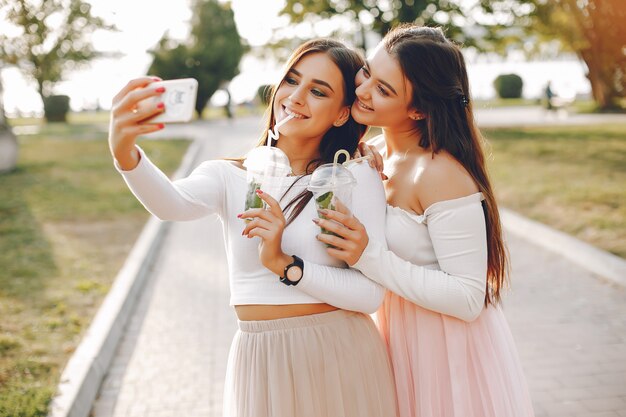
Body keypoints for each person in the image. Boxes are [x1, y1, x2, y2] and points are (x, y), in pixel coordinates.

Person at [108, 39, 398, 417]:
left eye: (317, 91)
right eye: (292, 80)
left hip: (340, 353)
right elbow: (170, 205)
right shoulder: (229, 175)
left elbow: (369, 296)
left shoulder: (355, 176)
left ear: (342, 114)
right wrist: (124, 152)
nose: (295, 97)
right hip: (259, 360)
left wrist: (284, 264)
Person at [316, 25, 535, 417]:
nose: (363, 90)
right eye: (367, 71)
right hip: (396, 339)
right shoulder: (375, 155)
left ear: (418, 109)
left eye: (384, 90)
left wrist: (369, 256)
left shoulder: (440, 173)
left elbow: (469, 298)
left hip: (445, 349)